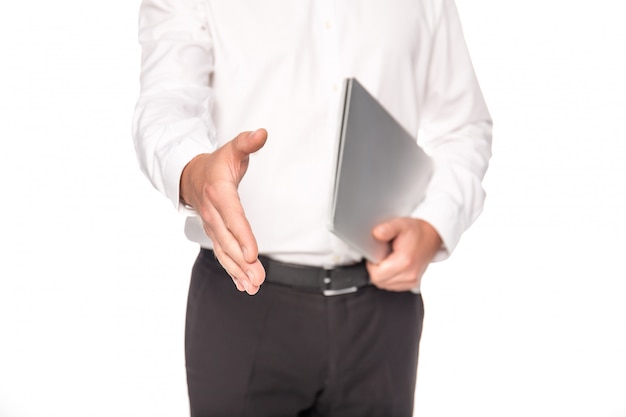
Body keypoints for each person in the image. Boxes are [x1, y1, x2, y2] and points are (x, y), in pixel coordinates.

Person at [132, 0, 492, 416]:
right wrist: (194, 173)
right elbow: (165, 103)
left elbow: (464, 127)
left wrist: (434, 226)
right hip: (242, 304)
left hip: (384, 312)